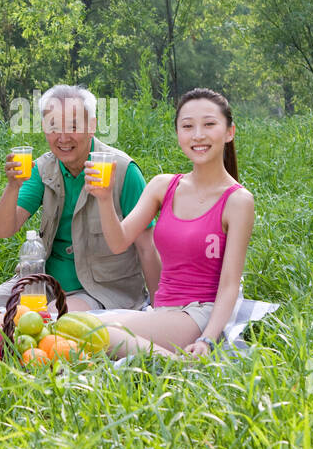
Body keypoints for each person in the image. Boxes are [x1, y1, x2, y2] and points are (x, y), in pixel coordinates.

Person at [84, 88, 255, 360]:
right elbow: (118, 242)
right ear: (178, 134)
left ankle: (185, 368)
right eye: (187, 126)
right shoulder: (163, 186)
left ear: (229, 132)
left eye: (209, 124)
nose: (198, 135)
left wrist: (207, 340)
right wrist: (104, 199)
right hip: (162, 312)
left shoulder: (238, 201)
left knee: (91, 332)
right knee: (68, 327)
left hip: (199, 314)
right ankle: (166, 358)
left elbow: (230, 285)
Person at [0, 84, 159, 312]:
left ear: (92, 126)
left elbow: (147, 248)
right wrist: (12, 187)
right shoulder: (42, 168)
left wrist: (160, 310)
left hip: (103, 289)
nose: (63, 137)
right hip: (44, 282)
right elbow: (3, 230)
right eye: (53, 127)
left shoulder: (122, 171)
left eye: (73, 126)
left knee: (52, 319)